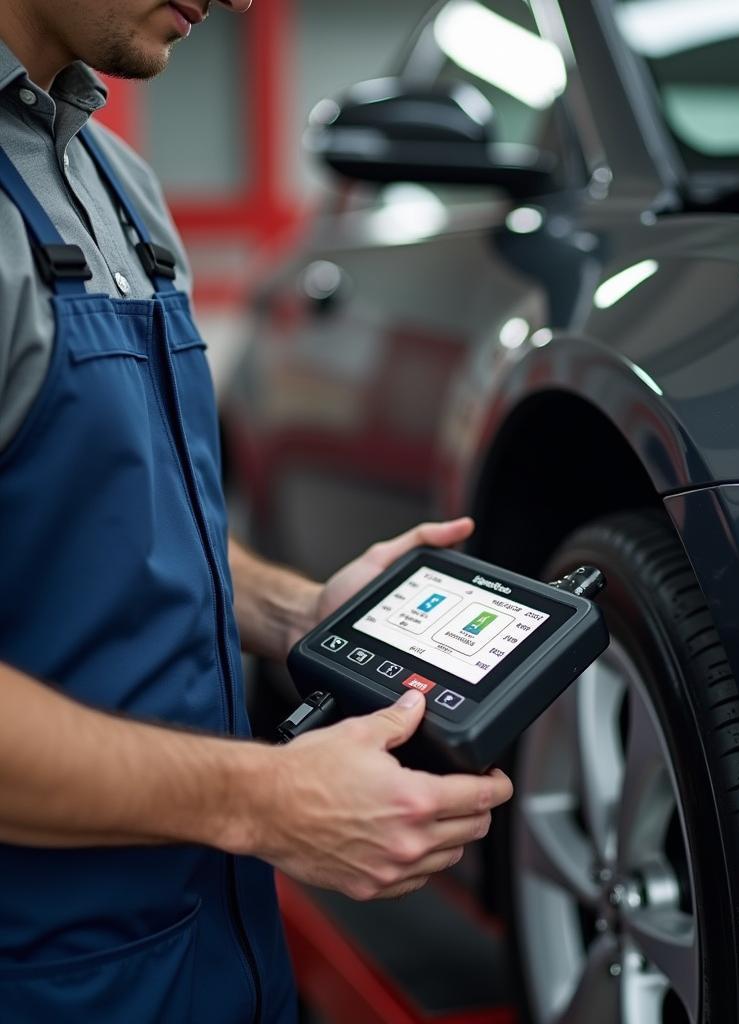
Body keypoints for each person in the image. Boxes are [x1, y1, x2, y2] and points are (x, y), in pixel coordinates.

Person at [0, 1, 513, 1020]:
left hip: (210, 953)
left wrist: (304, 609)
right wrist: (264, 801)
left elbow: (112, 524)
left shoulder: (117, 186)